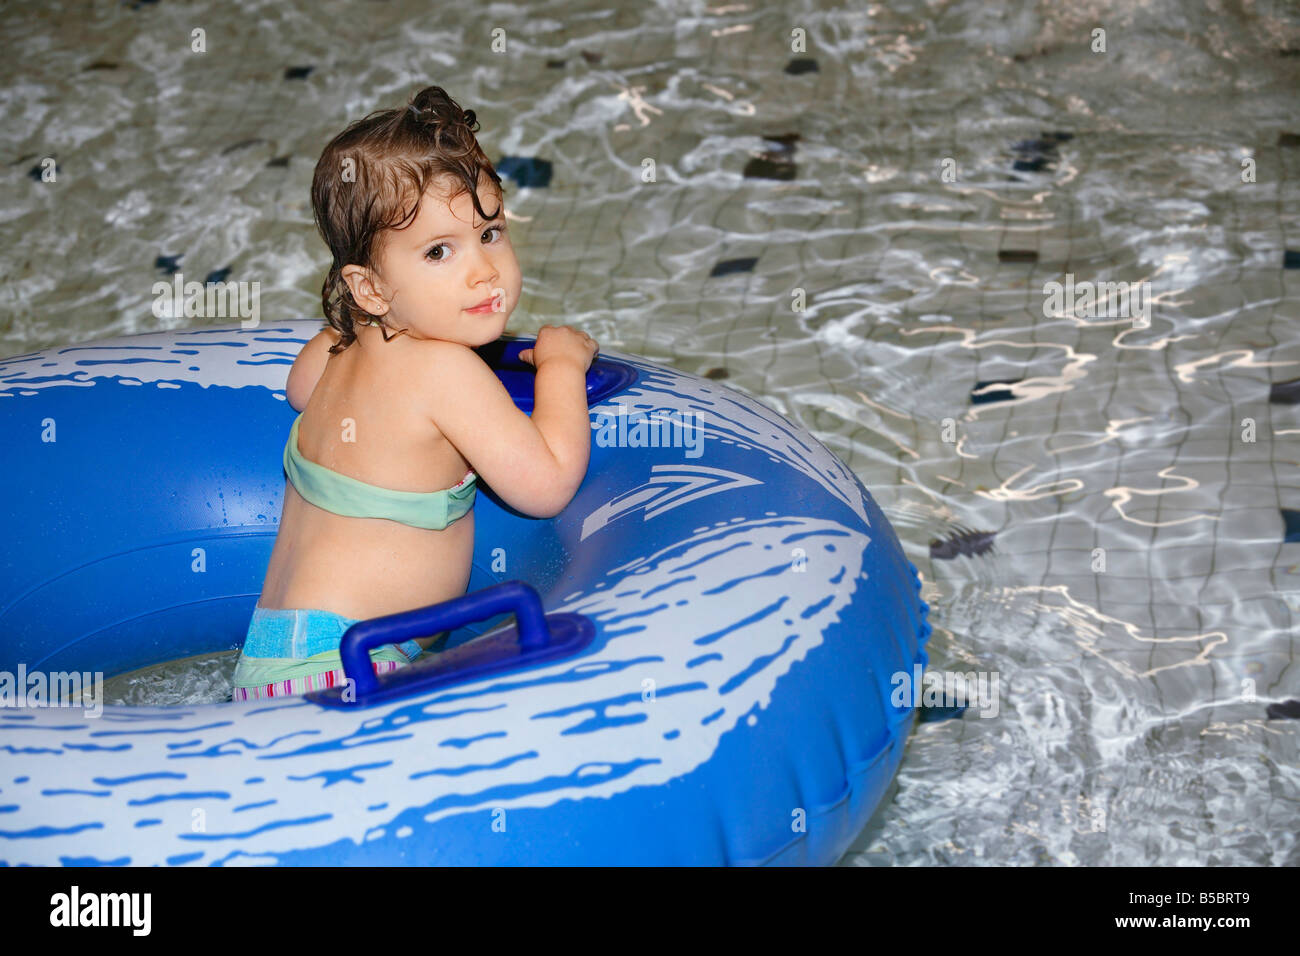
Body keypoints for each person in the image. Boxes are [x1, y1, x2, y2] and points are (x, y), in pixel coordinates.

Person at [231, 85, 598, 700]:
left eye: (489, 232)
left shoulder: (343, 345)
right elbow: (548, 484)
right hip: (348, 669)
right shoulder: (443, 371)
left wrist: (353, 320)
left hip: (278, 655)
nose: (482, 270)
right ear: (370, 287)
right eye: (437, 251)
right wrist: (560, 366)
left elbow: (299, 389)